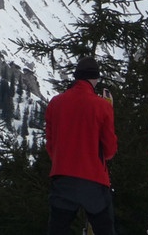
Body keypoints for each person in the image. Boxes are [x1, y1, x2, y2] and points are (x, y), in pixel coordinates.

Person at [45, 56, 118, 235]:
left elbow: (51, 145)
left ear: (77, 77)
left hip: (62, 178)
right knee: (105, 229)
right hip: (93, 180)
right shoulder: (102, 106)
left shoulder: (55, 103)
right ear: (95, 78)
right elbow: (110, 150)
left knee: (57, 229)